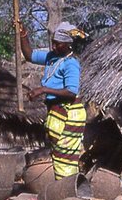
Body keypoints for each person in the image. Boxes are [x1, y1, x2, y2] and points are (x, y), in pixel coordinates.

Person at [17, 21, 87, 179]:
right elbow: (29, 55)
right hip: (57, 110)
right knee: (59, 154)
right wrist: (23, 34)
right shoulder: (51, 57)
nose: (54, 47)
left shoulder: (71, 64)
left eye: (58, 44)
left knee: (65, 155)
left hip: (69, 112)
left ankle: (68, 189)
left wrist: (43, 89)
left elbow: (71, 92)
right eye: (53, 43)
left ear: (68, 44)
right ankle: (65, 189)